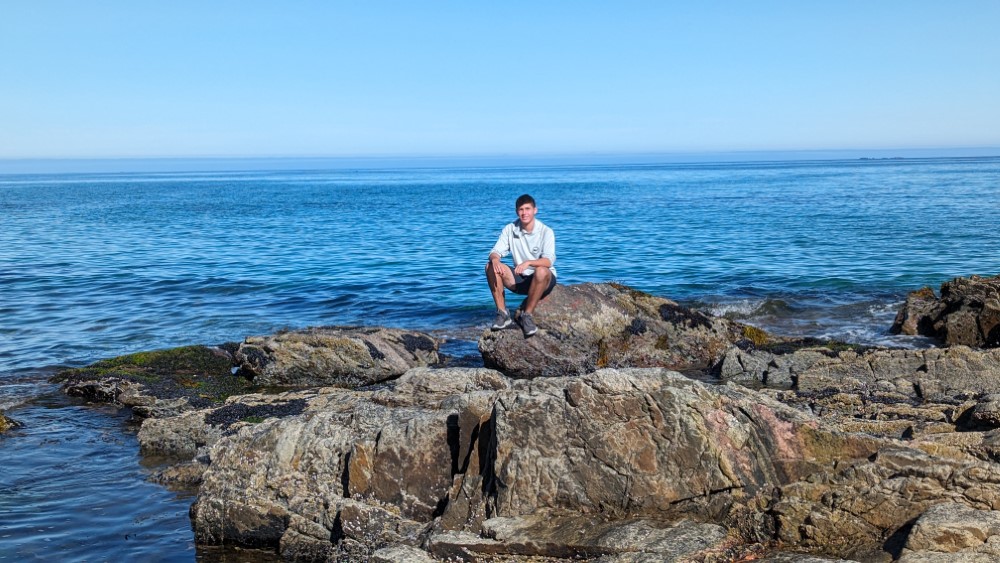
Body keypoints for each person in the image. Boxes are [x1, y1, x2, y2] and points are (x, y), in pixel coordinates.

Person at [486, 194, 557, 337]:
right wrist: (495, 260)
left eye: (527, 209)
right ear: (516, 211)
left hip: (543, 280)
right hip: (520, 279)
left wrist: (529, 262)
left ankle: (527, 316)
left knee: (541, 271)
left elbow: (548, 261)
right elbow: (495, 251)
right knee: (490, 267)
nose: (524, 213)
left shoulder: (546, 231)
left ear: (535, 210)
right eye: (521, 209)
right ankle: (503, 314)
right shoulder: (510, 229)